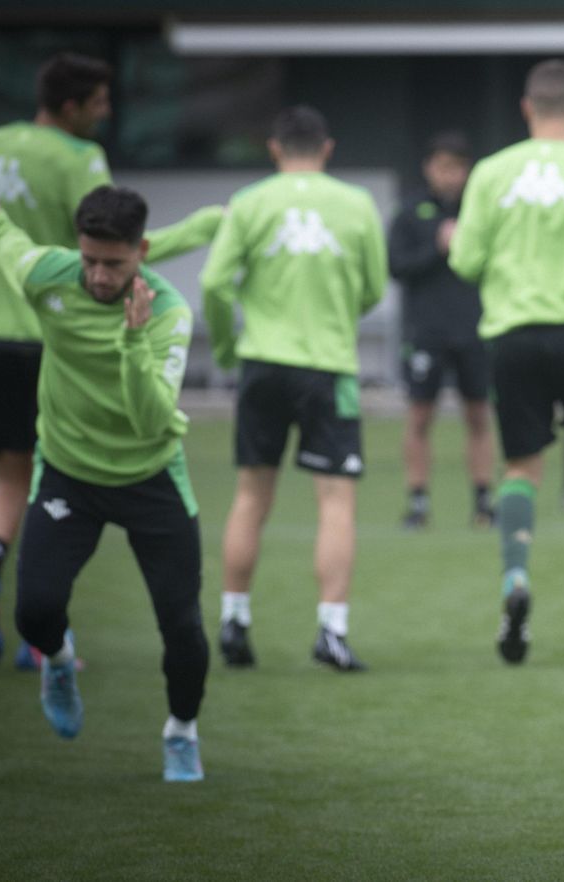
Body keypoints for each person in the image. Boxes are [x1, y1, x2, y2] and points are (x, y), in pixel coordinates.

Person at [0, 52, 222, 669]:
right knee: (18, 478)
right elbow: (108, 250)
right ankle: (36, 633)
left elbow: (8, 239)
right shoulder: (78, 158)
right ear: (72, 107)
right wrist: (197, 229)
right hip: (39, 336)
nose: (107, 113)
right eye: (100, 103)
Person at [0, 185, 209, 781]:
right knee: (34, 612)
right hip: (68, 473)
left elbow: (152, 419)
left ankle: (181, 731)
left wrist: (131, 340)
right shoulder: (46, 276)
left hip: (150, 477)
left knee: (182, 629)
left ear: (143, 253)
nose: (100, 277)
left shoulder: (169, 313)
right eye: (90, 261)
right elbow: (8, 240)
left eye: (115, 263)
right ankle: (58, 660)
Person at [448, 58, 564, 664]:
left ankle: (515, 579)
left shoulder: (491, 171)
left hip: (513, 336)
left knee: (522, 466)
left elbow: (465, 261)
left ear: (526, 109)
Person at [201, 105, 387, 672]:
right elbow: (374, 288)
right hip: (328, 367)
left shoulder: (251, 202)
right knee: (335, 501)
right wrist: (336, 311)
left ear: (274, 149)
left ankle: (234, 621)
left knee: (252, 496)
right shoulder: (356, 204)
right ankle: (331, 632)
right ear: (326, 149)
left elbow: (213, 281)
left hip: (261, 362)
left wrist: (231, 348)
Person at [388, 131, 495, 530]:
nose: (450, 175)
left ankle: (484, 500)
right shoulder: (411, 211)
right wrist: (437, 247)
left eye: (458, 167)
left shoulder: (480, 210)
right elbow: (396, 267)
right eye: (443, 167)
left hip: (475, 329)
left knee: (479, 415)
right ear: (428, 167)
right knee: (419, 416)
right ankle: (417, 501)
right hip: (427, 332)